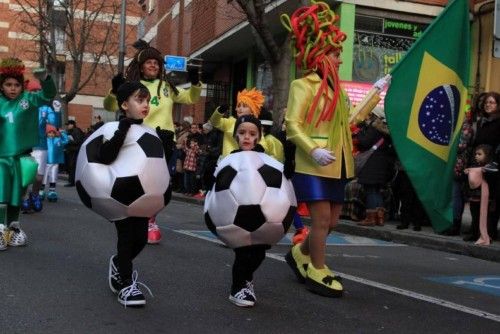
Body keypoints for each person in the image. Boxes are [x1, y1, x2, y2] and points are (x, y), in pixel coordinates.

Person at [281, 2, 389, 297]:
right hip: (314, 164)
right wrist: (313, 150)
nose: (339, 60)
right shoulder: (302, 85)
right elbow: (292, 124)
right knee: (321, 220)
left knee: (332, 222)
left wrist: (375, 90)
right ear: (318, 55)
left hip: (339, 164)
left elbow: (352, 120)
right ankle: (317, 267)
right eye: (334, 54)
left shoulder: (337, 90)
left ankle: (301, 254)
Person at [104, 40, 201, 244]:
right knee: (135, 181)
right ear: (141, 66)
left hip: (163, 142)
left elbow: (191, 98)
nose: (153, 66)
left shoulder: (167, 87)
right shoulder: (134, 88)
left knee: (157, 184)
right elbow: (111, 105)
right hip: (138, 140)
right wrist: (115, 89)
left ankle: (150, 220)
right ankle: (131, 214)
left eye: (156, 63)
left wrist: (195, 83)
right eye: (149, 62)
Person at [100, 81, 157, 306]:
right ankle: (126, 284)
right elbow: (106, 156)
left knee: (141, 239)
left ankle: (118, 264)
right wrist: (122, 130)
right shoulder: (115, 128)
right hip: (120, 195)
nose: (145, 105)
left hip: (142, 198)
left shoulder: (148, 131)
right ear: (124, 104)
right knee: (126, 237)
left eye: (147, 100)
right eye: (139, 100)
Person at [0, 58, 56, 249]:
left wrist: (46, 79)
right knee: (1, 194)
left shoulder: (28, 100)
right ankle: (0, 228)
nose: (13, 88)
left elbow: (48, 95)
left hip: (21, 158)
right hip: (1, 158)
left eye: (16, 84)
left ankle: (13, 227)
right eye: (8, 84)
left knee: (17, 195)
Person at [356, 108, 395, 227]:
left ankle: (370, 218)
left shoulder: (374, 128)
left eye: (370, 115)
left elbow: (364, 142)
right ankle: (380, 218)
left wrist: (359, 132)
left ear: (374, 116)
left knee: (371, 190)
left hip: (372, 164)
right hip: (383, 164)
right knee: (376, 190)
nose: (367, 117)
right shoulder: (386, 130)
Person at [470, 92, 500, 241]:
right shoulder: (482, 121)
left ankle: (490, 231)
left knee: (492, 202)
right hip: (479, 165)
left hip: (493, 166)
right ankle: (476, 231)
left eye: (492, 102)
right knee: (476, 200)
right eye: (487, 102)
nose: (488, 105)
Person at [208, 88, 265, 158]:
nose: (240, 108)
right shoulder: (230, 122)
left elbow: (262, 142)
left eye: (244, 106)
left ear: (252, 110)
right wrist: (219, 111)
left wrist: (259, 148)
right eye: (238, 106)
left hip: (247, 162)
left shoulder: (256, 126)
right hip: (229, 163)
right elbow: (214, 122)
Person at [463, 144, 495, 245]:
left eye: (479, 154)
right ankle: (474, 234)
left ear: (487, 155)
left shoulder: (491, 167)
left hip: (486, 199)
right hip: (475, 197)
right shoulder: (474, 166)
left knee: (486, 218)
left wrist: (476, 170)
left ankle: (486, 235)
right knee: (475, 217)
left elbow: (491, 173)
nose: (476, 156)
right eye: (476, 154)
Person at [43, 125, 69, 202]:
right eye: (49, 133)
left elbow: (66, 140)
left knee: (53, 177)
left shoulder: (58, 140)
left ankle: (52, 191)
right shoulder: (44, 141)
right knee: (43, 177)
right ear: (46, 133)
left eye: (53, 133)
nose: (51, 134)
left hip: (55, 163)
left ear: (55, 133)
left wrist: (62, 132)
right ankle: (41, 190)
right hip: (45, 162)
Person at [64, 119, 84, 187]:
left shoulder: (76, 131)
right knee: (71, 166)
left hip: (74, 151)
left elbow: (77, 141)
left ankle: (72, 182)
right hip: (71, 151)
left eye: (68, 125)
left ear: (72, 125)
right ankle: (71, 181)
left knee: (72, 166)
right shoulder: (70, 131)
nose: (67, 126)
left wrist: (69, 141)